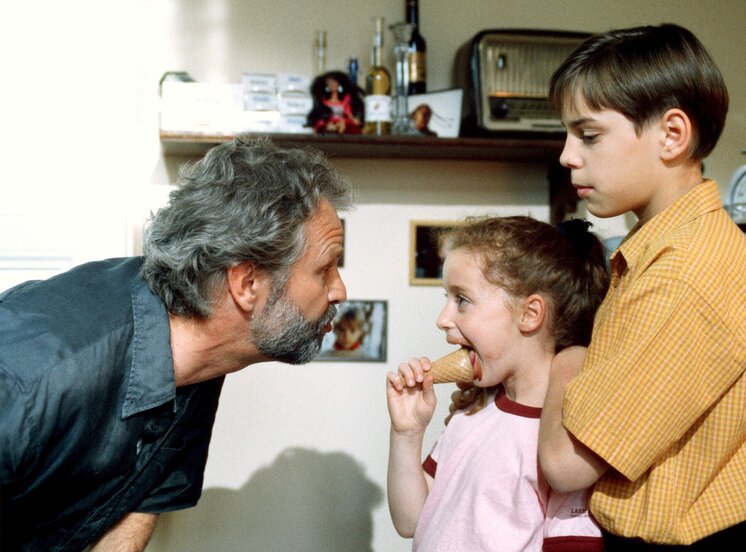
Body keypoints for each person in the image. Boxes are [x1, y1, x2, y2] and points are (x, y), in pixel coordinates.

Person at [0, 136, 353, 551]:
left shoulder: (203, 359)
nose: (340, 291)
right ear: (247, 283)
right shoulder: (29, 376)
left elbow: (140, 500)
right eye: (325, 269)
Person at [537, 23, 746, 550]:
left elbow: (565, 464)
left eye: (588, 135)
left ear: (672, 135)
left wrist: (567, 358)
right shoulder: (664, 250)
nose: (567, 155)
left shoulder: (685, 272)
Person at [386, 216, 609, 551]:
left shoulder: (565, 440)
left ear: (529, 314)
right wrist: (406, 435)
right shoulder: (472, 412)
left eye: (462, 300)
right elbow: (410, 521)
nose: (442, 319)